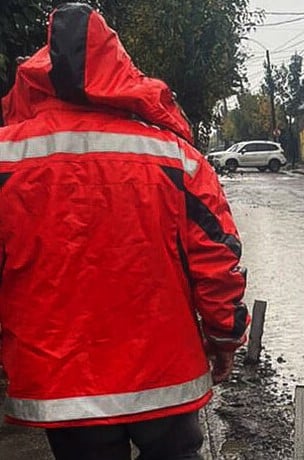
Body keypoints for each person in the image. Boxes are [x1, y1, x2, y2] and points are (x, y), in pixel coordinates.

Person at [0, 3, 249, 459]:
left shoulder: (8, 160)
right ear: (121, 73)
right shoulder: (176, 159)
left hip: (62, 389)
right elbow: (217, 262)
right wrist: (225, 340)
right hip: (165, 380)